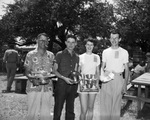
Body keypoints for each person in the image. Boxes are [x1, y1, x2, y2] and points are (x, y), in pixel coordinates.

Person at [24, 33, 55, 120]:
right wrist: (32, 79)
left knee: (46, 113)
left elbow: (54, 71)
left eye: (45, 40)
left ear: (47, 42)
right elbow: (26, 71)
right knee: (32, 112)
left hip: (47, 87)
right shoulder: (30, 54)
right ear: (37, 41)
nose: (43, 42)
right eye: (41, 40)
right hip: (33, 86)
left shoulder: (51, 55)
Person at [100, 30, 129, 120]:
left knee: (116, 106)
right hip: (107, 78)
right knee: (105, 105)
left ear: (119, 39)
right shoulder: (105, 51)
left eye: (116, 38)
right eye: (112, 38)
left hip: (118, 79)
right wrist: (101, 78)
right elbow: (102, 66)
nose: (114, 40)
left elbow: (127, 69)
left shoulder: (124, 52)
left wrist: (125, 85)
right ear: (109, 39)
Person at [53, 34, 79, 120]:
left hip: (73, 86)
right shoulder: (59, 54)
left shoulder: (77, 57)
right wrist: (64, 78)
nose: (70, 44)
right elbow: (54, 70)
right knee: (58, 109)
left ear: (75, 44)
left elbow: (76, 71)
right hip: (61, 85)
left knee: (70, 110)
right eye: (69, 42)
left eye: (73, 42)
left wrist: (77, 78)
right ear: (65, 43)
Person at [78, 38, 100, 120]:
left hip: (93, 83)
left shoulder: (97, 57)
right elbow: (78, 71)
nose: (89, 46)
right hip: (83, 83)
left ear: (93, 46)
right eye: (88, 44)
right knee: (84, 109)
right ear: (85, 45)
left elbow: (97, 72)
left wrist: (97, 83)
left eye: (91, 45)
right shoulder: (80, 57)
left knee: (91, 108)